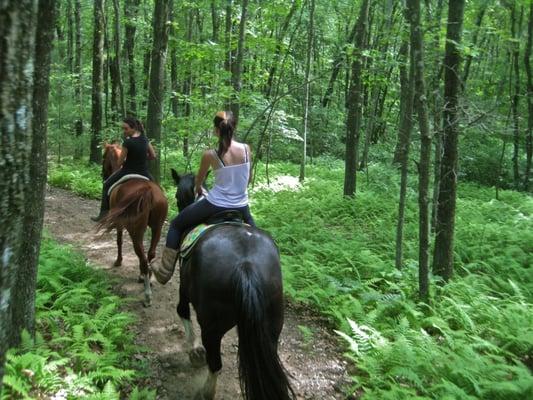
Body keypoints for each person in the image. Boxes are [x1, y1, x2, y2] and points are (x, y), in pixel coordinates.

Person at [152, 110, 256, 284]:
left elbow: (198, 183)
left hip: (215, 204)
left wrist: (200, 189)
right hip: (242, 206)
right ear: (234, 127)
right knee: (258, 236)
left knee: (177, 224)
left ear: (216, 130)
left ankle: (164, 272)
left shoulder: (210, 155)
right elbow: (249, 179)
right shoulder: (246, 149)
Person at [91, 117, 156, 222]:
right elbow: (153, 156)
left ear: (133, 128)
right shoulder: (145, 139)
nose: (124, 131)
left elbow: (120, 163)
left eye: (126, 129)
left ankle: (103, 214)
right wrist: (142, 157)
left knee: (106, 185)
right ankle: (154, 215)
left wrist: (128, 158)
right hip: (143, 172)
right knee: (157, 189)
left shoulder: (127, 142)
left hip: (127, 171)